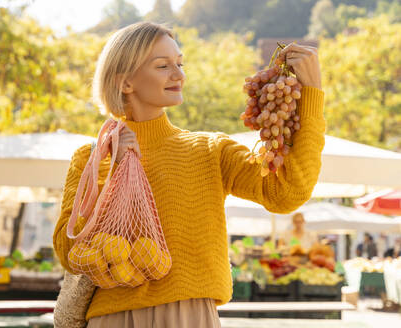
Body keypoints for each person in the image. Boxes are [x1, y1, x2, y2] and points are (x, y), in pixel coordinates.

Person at [53, 21, 325, 328]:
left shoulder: (209, 150)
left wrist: (311, 98)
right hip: (112, 318)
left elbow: (286, 194)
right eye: (163, 65)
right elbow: (69, 252)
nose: (179, 75)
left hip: (189, 316)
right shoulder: (92, 157)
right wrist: (111, 172)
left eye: (179, 64)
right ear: (125, 82)